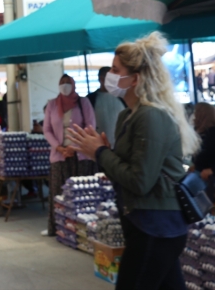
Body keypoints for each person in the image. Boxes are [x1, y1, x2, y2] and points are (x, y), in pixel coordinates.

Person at [68, 32, 200, 290]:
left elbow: (140, 181)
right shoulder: (128, 115)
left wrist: (100, 153)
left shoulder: (150, 116)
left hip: (157, 226)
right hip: (147, 223)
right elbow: (131, 169)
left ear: (135, 78)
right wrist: (105, 152)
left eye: (116, 70)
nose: (110, 76)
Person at [42, 74, 97, 236]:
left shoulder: (83, 102)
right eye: (62, 83)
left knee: (82, 194)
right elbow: (46, 129)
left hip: (81, 155)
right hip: (59, 155)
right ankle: (57, 228)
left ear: (74, 85)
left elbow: (90, 125)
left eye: (68, 83)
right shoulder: (52, 104)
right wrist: (59, 147)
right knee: (58, 192)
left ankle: (83, 231)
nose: (65, 85)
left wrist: (74, 147)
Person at [87, 67, 126, 147]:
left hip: (122, 145)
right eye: (110, 77)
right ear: (101, 79)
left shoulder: (122, 97)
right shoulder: (90, 99)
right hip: (99, 146)